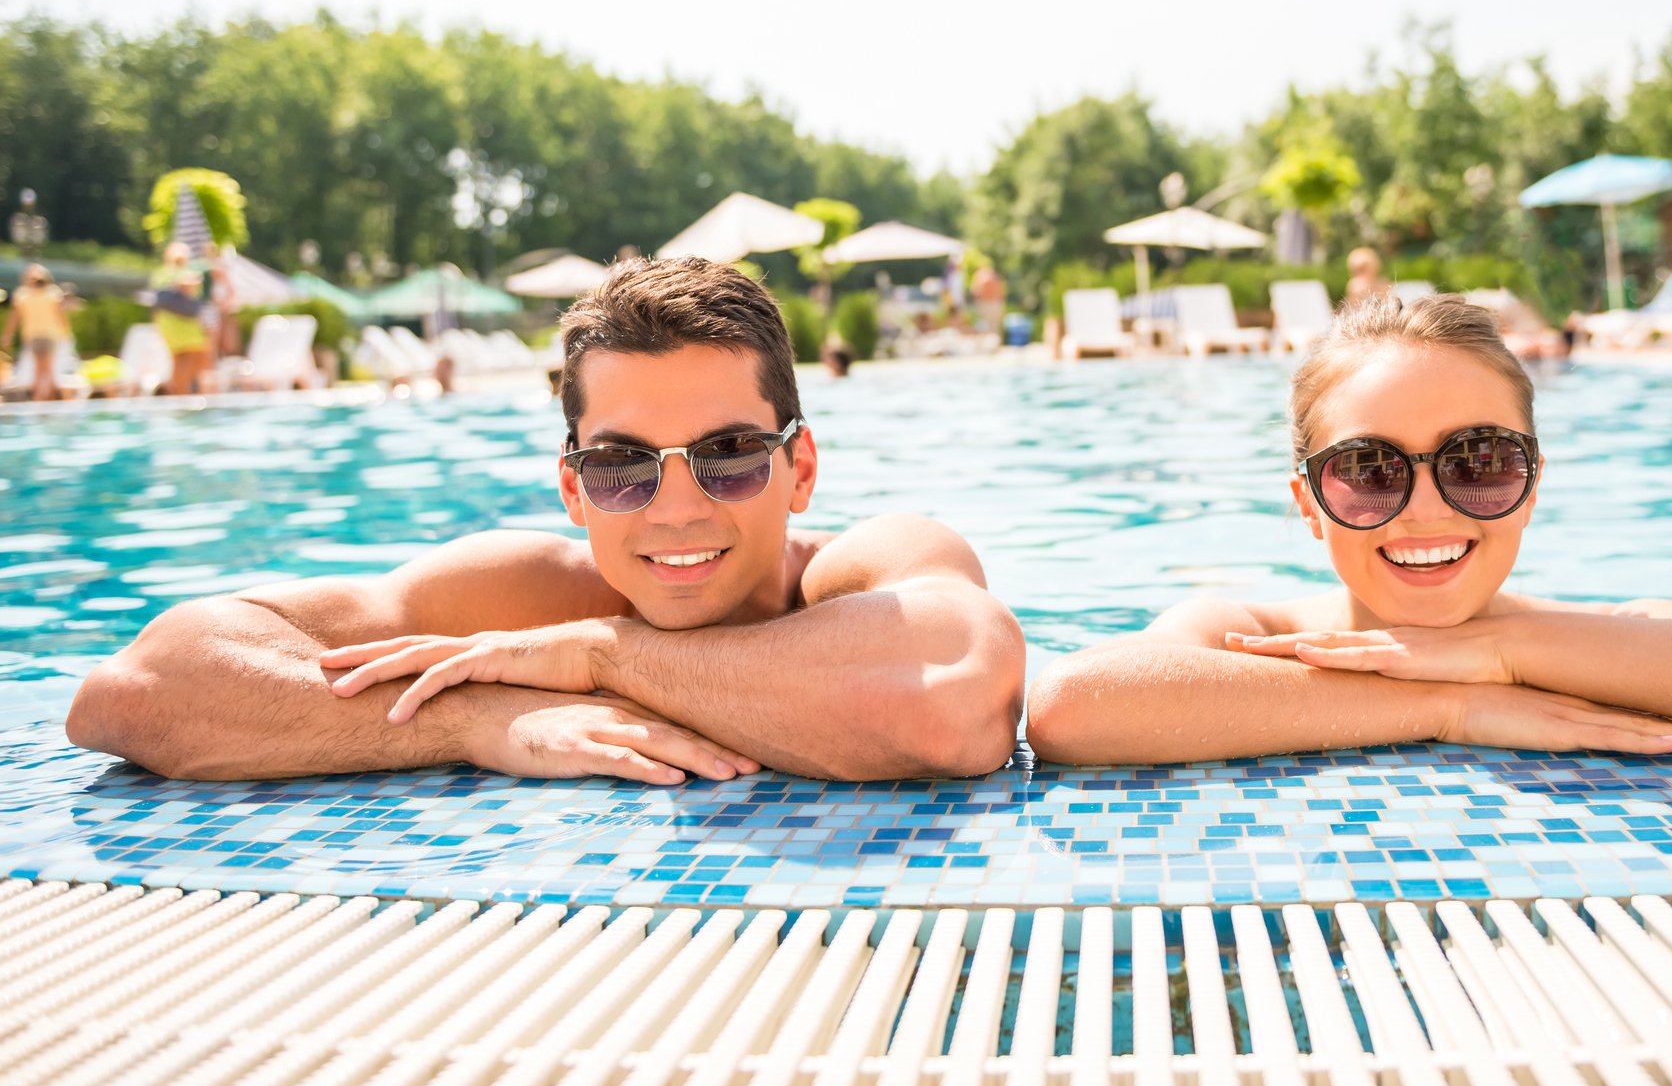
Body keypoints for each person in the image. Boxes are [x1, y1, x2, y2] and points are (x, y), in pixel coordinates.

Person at [69, 256, 1025, 784]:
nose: (676, 506)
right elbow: (137, 688)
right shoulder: (529, 590)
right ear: (572, 490)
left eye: (729, 454)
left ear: (799, 466)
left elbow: (955, 704)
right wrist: (484, 719)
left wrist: (605, 657)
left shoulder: (866, 566)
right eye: (621, 468)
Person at [1028, 293, 1672, 765]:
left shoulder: (1594, 643)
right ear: (1307, 501)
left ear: (1529, 484)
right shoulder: (1245, 636)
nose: (1428, 508)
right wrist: (1446, 706)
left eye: (1476, 460)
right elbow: (1072, 709)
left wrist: (1509, 650)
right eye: (1368, 470)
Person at [1, 263, 76, 401]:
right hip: (49, 335)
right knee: (47, 370)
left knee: (40, 370)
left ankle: (39, 399)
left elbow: (14, 318)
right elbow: (61, 315)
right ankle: (48, 399)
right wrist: (66, 332)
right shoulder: (52, 292)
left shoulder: (23, 294)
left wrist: (8, 335)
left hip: (33, 336)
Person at [151, 242, 213, 394]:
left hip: (167, 323)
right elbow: (188, 287)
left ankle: (179, 392)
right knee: (191, 358)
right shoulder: (180, 273)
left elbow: (155, 302)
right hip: (184, 325)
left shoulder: (160, 274)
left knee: (181, 360)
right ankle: (181, 393)